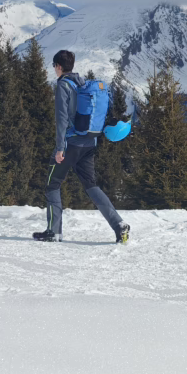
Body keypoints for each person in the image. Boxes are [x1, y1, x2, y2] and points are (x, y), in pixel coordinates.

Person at [33, 50, 130, 244]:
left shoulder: (63, 85)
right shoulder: (83, 84)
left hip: (70, 144)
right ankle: (118, 224)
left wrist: (60, 148)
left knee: (52, 185)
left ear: (59, 66)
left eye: (54, 66)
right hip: (89, 143)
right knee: (91, 185)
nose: (54, 70)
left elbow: (61, 119)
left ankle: (54, 232)